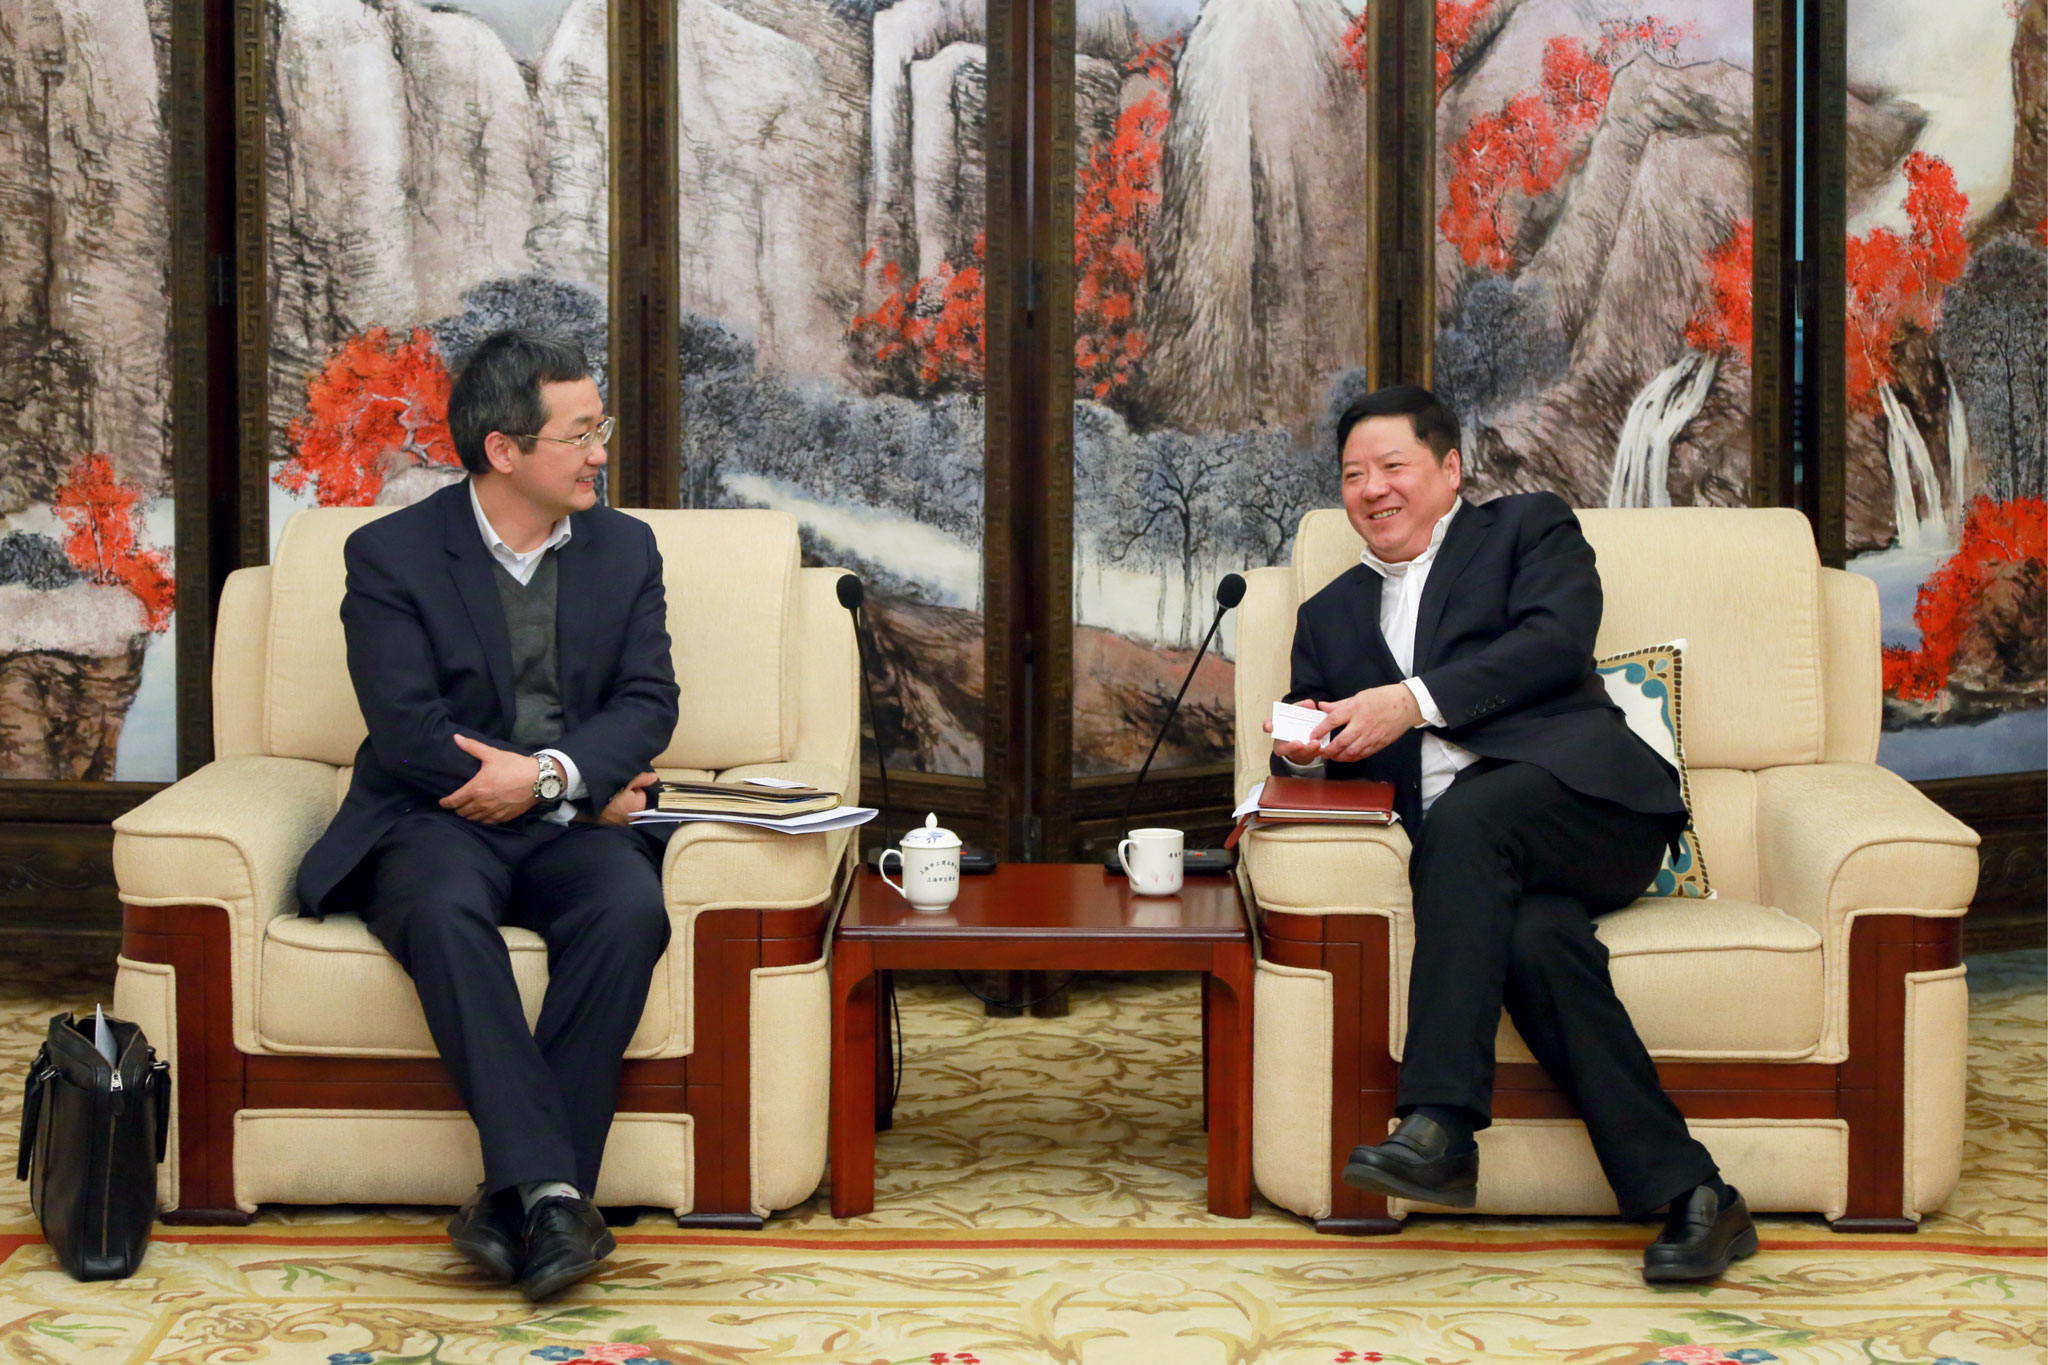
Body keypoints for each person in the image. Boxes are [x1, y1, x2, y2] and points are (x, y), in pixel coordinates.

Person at [1264, 384, 1756, 1282]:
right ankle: (1697, 1194)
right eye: (1353, 475)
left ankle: (1442, 1122)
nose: (1372, 489)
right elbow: (1319, 739)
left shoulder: (1528, 530)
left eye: (1392, 466)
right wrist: (1301, 748)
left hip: (1591, 807)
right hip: (1480, 865)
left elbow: (1555, 644)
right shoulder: (1328, 614)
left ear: (1450, 468)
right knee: (1536, 944)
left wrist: (1409, 701)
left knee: (1471, 813)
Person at [294, 330, 680, 1301]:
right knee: (437, 907)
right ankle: (553, 1196)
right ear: (503, 449)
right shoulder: (390, 554)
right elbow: (407, 728)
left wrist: (552, 779)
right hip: (435, 817)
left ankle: (514, 1201)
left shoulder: (625, 548)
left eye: (599, 428)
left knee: (629, 909)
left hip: (570, 823)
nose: (600, 452)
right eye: (579, 435)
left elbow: (648, 702)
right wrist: (528, 782)